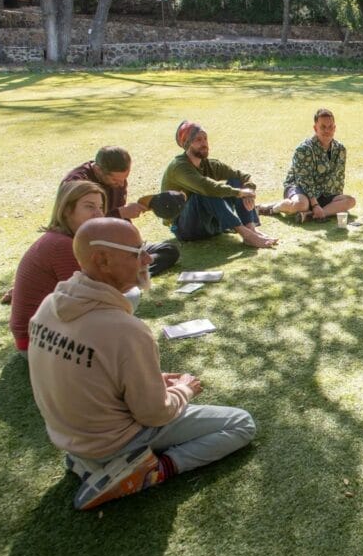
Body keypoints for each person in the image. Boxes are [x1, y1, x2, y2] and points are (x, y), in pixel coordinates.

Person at [27, 218, 256, 510]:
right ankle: (152, 470)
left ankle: (91, 462)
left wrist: (151, 378)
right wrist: (184, 390)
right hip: (112, 442)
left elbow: (88, 371)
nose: (148, 259)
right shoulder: (126, 330)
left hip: (69, 438)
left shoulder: (49, 305)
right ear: (102, 260)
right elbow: (155, 414)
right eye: (136, 253)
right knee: (241, 424)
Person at [8, 181, 106, 353]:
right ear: (67, 210)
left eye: (101, 207)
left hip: (41, 333)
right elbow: (88, 297)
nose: (98, 214)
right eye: (89, 207)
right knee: (125, 299)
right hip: (37, 340)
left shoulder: (61, 239)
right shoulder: (61, 245)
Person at [64, 146, 180, 275]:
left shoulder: (119, 182)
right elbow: (84, 226)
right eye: (115, 179)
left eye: (124, 179)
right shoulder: (77, 184)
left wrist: (135, 244)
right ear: (98, 170)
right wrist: (120, 213)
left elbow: (120, 221)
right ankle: (125, 273)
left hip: (115, 244)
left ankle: (128, 271)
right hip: (89, 247)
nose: (121, 184)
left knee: (169, 250)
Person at [161, 121, 277, 248]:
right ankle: (247, 235)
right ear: (187, 144)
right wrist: (238, 193)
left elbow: (242, 176)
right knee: (205, 191)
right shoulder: (178, 167)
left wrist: (248, 188)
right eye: (198, 140)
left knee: (235, 181)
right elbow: (206, 187)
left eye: (205, 138)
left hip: (212, 226)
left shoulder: (209, 164)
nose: (204, 143)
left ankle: (251, 229)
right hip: (186, 229)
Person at [257, 108, 357, 223]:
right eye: (323, 127)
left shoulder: (340, 149)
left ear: (334, 128)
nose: (327, 130)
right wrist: (315, 204)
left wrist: (338, 202)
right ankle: (271, 208)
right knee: (301, 204)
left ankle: (313, 215)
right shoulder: (304, 149)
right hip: (300, 187)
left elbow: (339, 177)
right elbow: (305, 180)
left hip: (325, 192)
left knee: (351, 201)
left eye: (330, 127)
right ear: (315, 128)